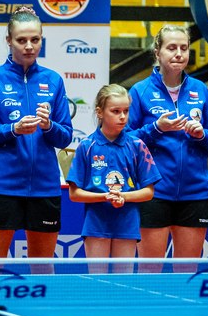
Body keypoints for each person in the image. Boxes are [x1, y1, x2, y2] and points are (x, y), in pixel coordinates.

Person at [0, 6, 74, 258]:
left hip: (45, 188)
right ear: (8, 40)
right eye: (21, 40)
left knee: (42, 271)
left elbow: (65, 136)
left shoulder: (54, 80)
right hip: (1, 187)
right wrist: (13, 129)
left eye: (35, 40)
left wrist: (49, 126)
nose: (29, 46)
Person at [127, 25, 208, 258]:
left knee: (186, 271)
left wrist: (201, 134)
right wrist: (156, 128)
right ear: (157, 52)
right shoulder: (140, 91)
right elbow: (125, 141)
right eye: (171, 48)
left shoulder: (200, 89)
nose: (179, 54)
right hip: (153, 192)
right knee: (151, 272)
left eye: (184, 48)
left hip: (195, 194)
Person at [67, 84, 160, 259]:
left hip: (127, 222)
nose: (122, 116)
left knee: (123, 275)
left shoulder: (137, 145)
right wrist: (105, 197)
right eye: (115, 111)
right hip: (96, 223)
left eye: (126, 111)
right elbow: (74, 194)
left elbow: (149, 192)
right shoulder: (86, 146)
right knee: (97, 276)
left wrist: (123, 197)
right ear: (100, 112)